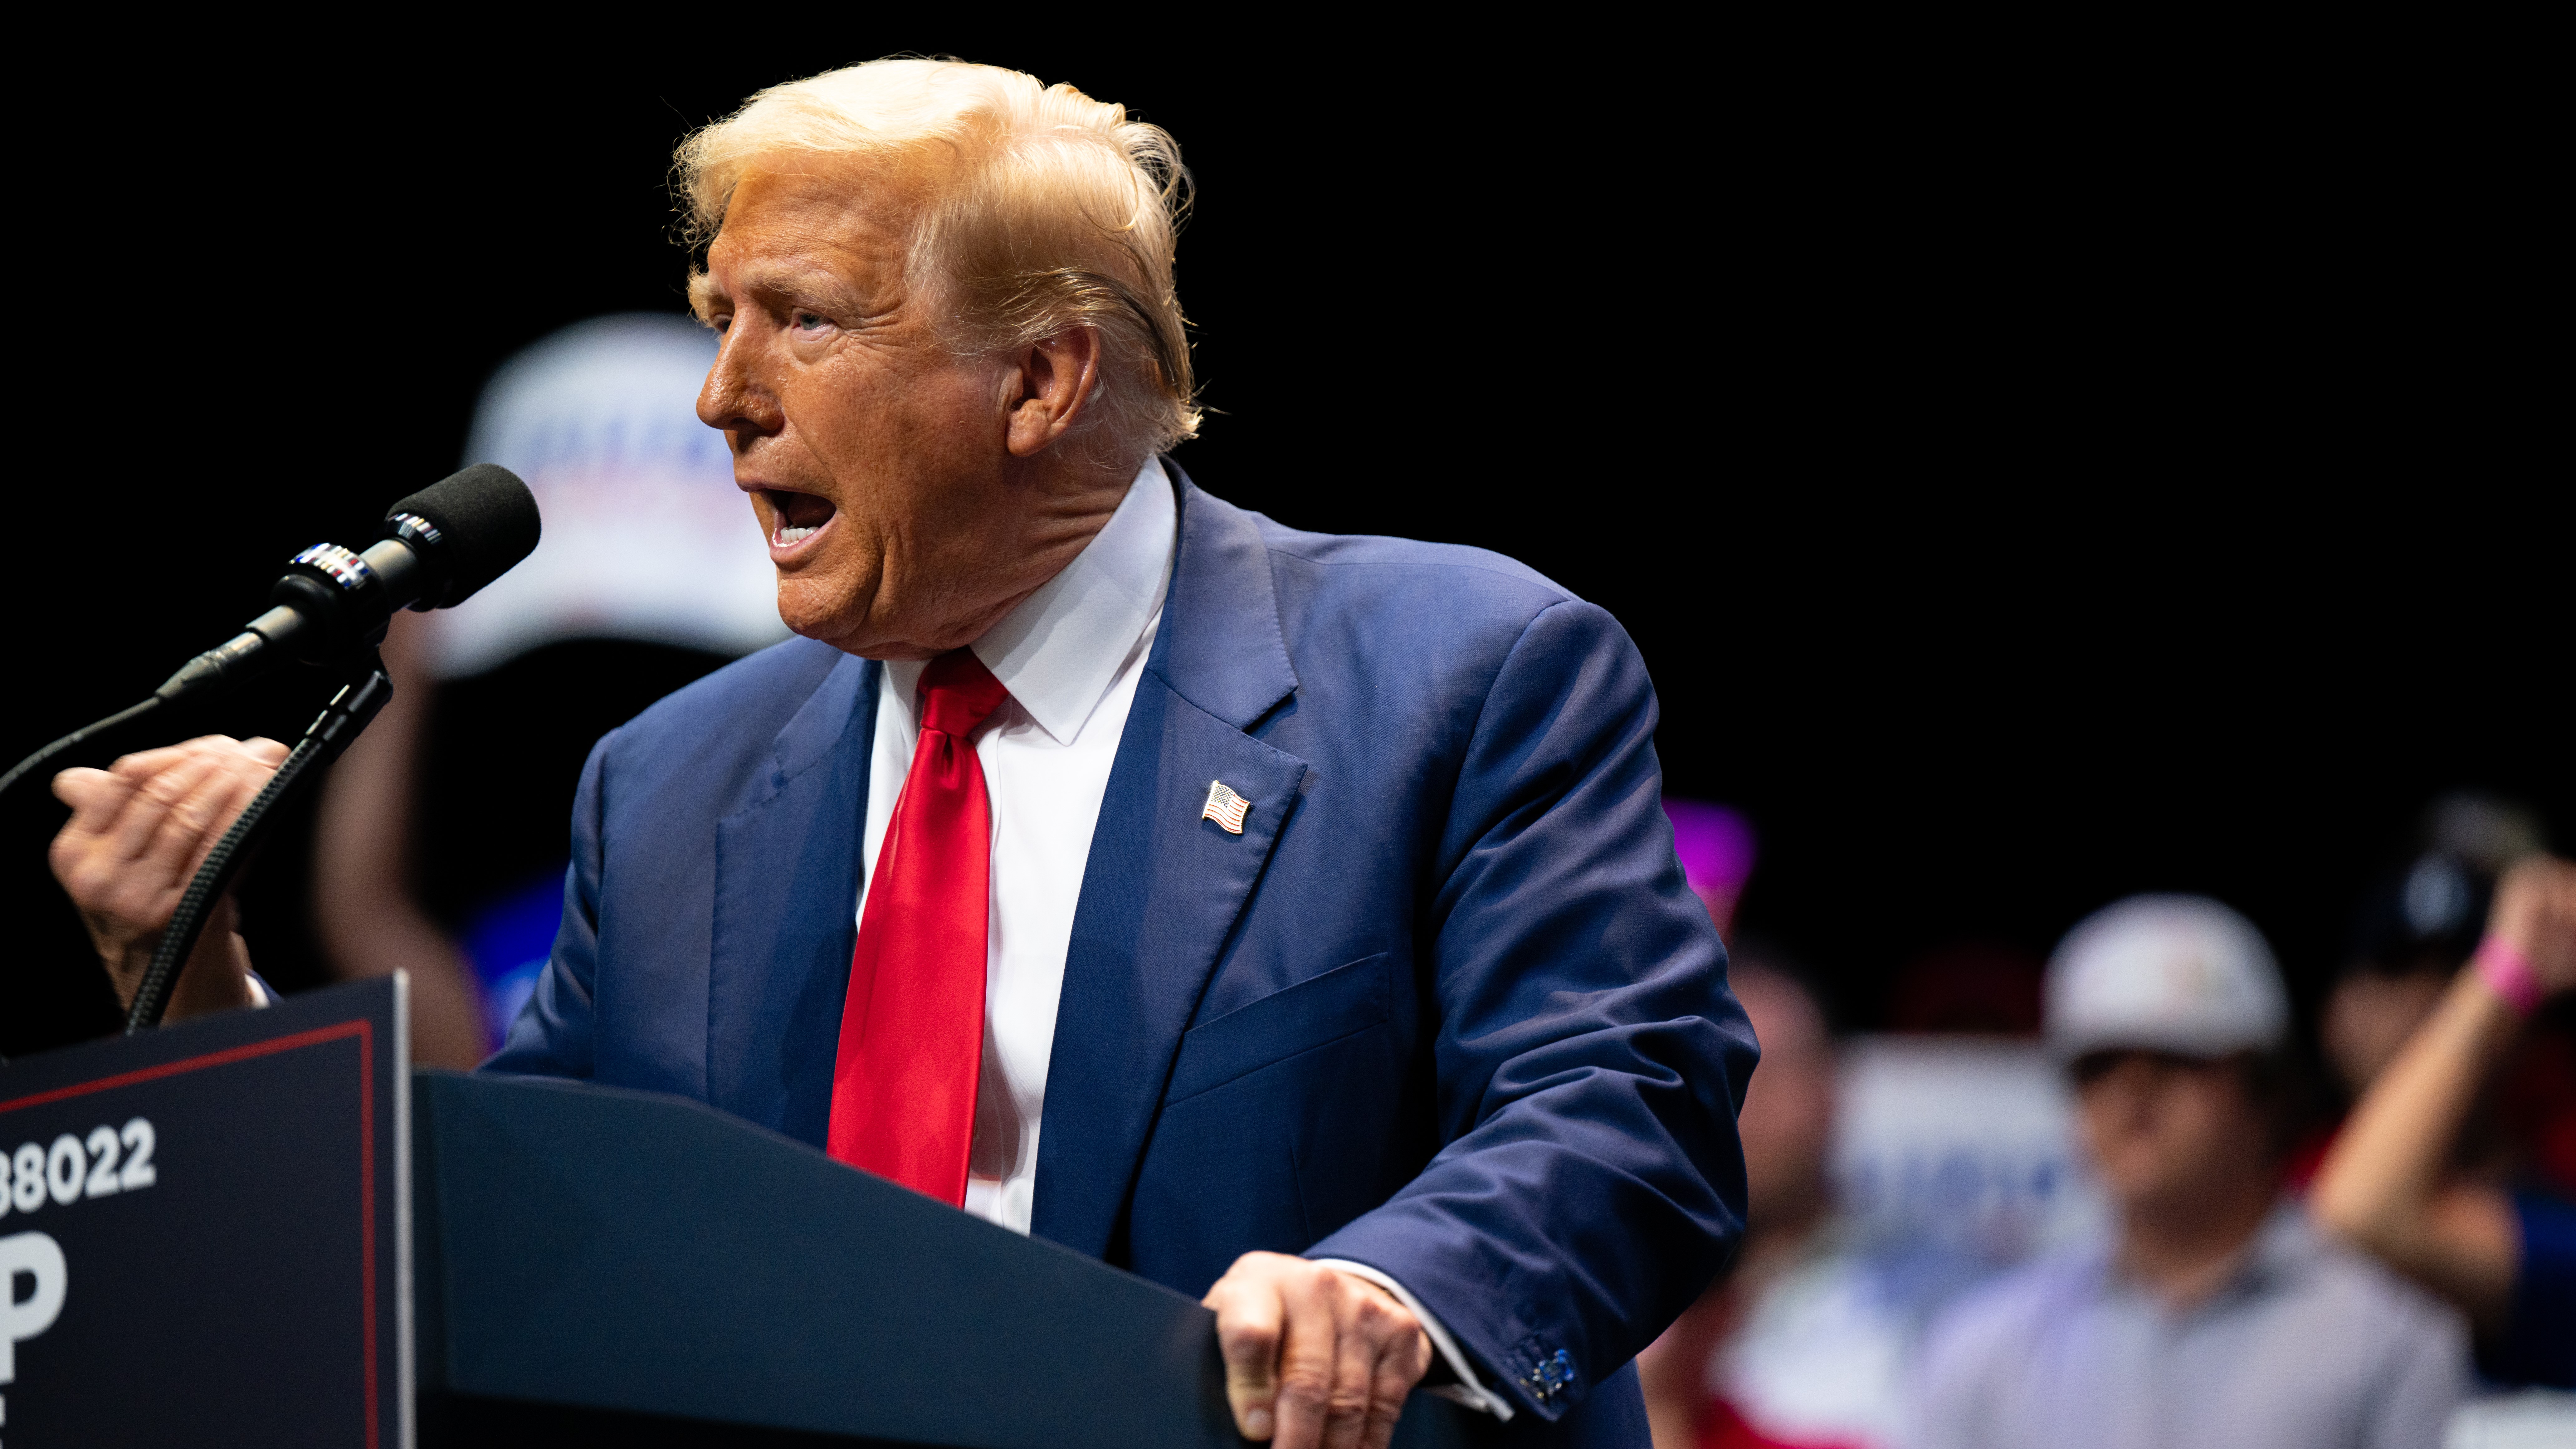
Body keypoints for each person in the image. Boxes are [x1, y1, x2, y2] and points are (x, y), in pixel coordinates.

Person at [44, 59, 1754, 1449]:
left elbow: (1629, 1099)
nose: (720, 396)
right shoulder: (667, 785)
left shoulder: (1456, 672)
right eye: (719, 315)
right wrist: (207, 997)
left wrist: (1392, 1294)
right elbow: (521, 1222)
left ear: (1043, 379)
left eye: (802, 320)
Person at [1910, 896, 2465, 1449]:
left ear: (2265, 1092)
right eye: (2098, 1067)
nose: (2133, 1093)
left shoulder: (2389, 1334)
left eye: (2178, 1059)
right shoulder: (1981, 1351)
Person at [2312, 855, 2576, 1389]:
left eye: (2460, 972)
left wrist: (2508, 975)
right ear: (2335, 1019)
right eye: (2397, 968)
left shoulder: (2554, 1219)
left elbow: (2367, 1210)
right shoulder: (2266, 1214)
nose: (2429, 1000)